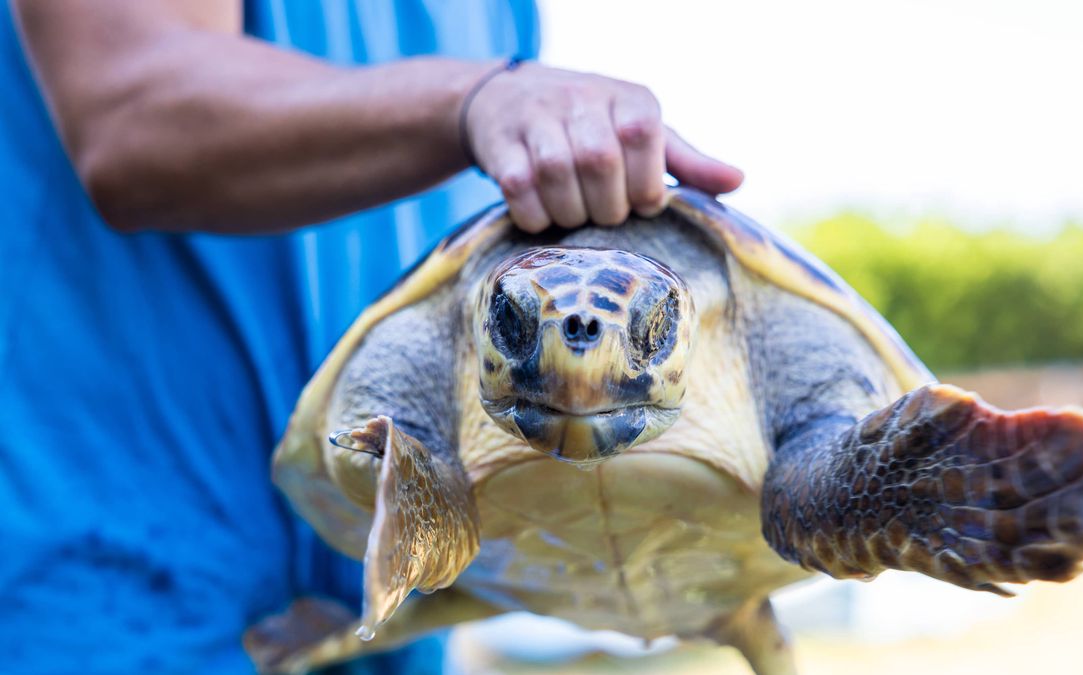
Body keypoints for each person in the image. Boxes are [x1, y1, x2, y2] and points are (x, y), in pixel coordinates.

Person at [0, 1, 742, 673]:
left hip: (389, 615)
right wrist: (481, 98)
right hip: (109, 589)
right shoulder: (492, 76)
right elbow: (129, 108)